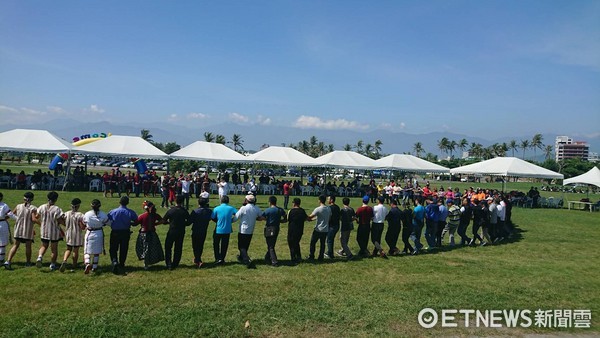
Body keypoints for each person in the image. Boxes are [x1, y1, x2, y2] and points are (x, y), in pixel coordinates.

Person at [4, 192, 36, 269]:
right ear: (32, 199)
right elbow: (33, 219)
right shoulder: (33, 208)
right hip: (28, 230)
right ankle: (28, 262)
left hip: (18, 229)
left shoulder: (18, 206)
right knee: (28, 246)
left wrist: (3, 219)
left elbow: (10, 214)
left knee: (15, 245)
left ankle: (8, 261)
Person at [107, 196, 138, 274]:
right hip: (125, 232)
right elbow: (136, 222)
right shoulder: (130, 212)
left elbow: (107, 220)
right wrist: (130, 223)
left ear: (119, 202)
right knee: (124, 248)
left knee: (113, 248)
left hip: (115, 232)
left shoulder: (113, 211)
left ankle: (114, 261)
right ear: (127, 203)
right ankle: (122, 263)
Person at [35, 191, 64, 271]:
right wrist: (66, 224)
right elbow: (60, 220)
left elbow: (36, 216)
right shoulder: (57, 209)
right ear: (56, 199)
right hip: (54, 231)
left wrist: (40, 223)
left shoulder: (42, 207)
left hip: (44, 230)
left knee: (44, 245)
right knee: (54, 249)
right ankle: (52, 264)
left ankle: (40, 257)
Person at [162, 195, 191, 270]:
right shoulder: (184, 211)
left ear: (175, 201)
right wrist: (183, 224)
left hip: (172, 230)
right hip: (181, 231)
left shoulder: (171, 210)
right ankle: (175, 263)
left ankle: (168, 263)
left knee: (168, 247)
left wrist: (169, 222)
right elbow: (189, 222)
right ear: (182, 201)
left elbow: (164, 220)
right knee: (178, 247)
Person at [235, 194, 263, 268]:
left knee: (241, 246)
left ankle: (247, 260)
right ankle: (241, 257)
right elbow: (261, 216)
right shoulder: (256, 208)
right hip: (251, 230)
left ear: (247, 200)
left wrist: (230, 221)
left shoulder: (243, 208)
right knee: (246, 245)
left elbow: (236, 217)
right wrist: (256, 218)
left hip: (243, 229)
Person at [135, 201, 164, 270]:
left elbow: (135, 223)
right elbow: (162, 221)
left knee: (145, 248)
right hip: (152, 233)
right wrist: (155, 224)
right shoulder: (155, 215)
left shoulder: (142, 216)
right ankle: (151, 260)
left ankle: (146, 263)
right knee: (152, 248)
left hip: (143, 234)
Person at [83, 199, 109, 274]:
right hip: (99, 233)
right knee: (96, 252)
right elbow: (107, 222)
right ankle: (94, 267)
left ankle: (87, 263)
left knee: (87, 250)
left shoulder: (87, 214)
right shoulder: (103, 214)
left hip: (90, 232)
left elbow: (84, 222)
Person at [59, 198, 85, 272]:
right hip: (77, 234)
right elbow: (83, 226)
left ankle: (64, 260)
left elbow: (61, 219)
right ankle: (74, 265)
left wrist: (65, 224)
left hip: (68, 233)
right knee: (75, 250)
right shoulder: (80, 215)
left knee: (68, 248)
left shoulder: (67, 213)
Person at [211, 195, 238, 265]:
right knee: (224, 244)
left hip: (218, 229)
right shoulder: (231, 208)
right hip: (227, 229)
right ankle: (222, 258)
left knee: (216, 244)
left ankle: (217, 258)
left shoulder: (216, 208)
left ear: (221, 201)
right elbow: (237, 214)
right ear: (228, 201)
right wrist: (232, 220)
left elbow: (212, 217)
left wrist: (217, 221)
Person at [261, 195, 287, 267]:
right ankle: (267, 257)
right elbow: (286, 218)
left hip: (269, 228)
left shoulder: (268, 210)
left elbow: (261, 217)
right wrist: (281, 221)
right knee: (272, 244)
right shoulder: (280, 210)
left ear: (270, 202)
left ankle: (274, 261)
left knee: (270, 246)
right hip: (276, 228)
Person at [189, 195, 212, 268]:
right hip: (204, 230)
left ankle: (198, 260)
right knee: (201, 245)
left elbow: (190, 221)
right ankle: (198, 258)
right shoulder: (209, 211)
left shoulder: (195, 211)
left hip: (195, 230)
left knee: (195, 245)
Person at [307, 195, 331, 262]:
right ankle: (321, 257)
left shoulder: (318, 209)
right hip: (325, 229)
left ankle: (311, 255)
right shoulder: (328, 208)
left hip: (318, 229)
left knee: (313, 243)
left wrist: (308, 218)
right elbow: (328, 217)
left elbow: (310, 217)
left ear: (319, 200)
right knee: (322, 244)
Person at [287, 197, 307, 264]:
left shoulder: (291, 211)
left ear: (294, 203)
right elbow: (305, 218)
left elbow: (288, 219)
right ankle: (298, 256)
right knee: (296, 243)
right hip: (300, 230)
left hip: (292, 230)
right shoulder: (302, 211)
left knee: (291, 244)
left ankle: (293, 258)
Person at [0, 192, 17, 267]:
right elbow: (10, 214)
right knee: (2, 243)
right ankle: (1, 260)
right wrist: (18, 219)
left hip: (2, 223)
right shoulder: (4, 205)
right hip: (2, 224)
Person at [325, 195, 340, 259]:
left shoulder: (329, 208)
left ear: (331, 200)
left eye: (328, 199)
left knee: (329, 240)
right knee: (331, 239)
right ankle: (329, 252)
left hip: (332, 226)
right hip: (337, 225)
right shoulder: (337, 207)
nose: (327, 200)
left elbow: (328, 217)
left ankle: (330, 254)